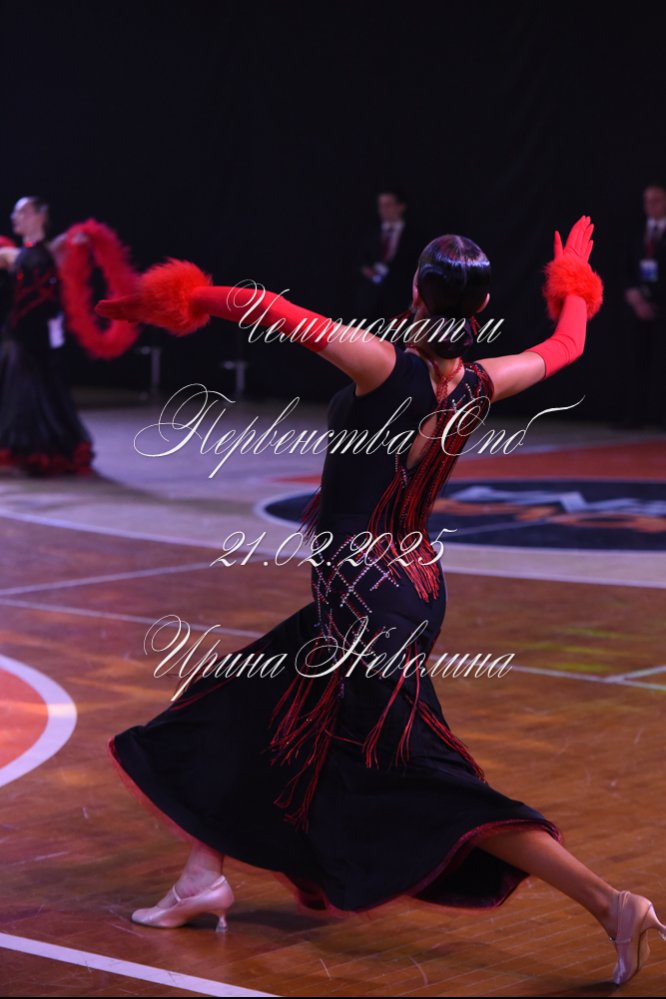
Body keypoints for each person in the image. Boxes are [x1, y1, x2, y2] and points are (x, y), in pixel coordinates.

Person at [97, 216, 665, 986]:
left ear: (415, 291)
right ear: (483, 303)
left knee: (425, 777)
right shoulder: (481, 381)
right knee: (242, 699)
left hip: (361, 600)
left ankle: (610, 902)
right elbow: (567, 345)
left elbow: (270, 310)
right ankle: (201, 877)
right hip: (411, 589)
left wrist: (180, 298)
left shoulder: (379, 362)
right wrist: (573, 288)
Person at [0, 196, 94, 475]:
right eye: (15, 213)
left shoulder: (52, 251)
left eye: (23, 212)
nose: (16, 217)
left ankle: (47, 451)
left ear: (41, 216)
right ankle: (25, 450)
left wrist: (82, 239)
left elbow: (78, 240)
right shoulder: (13, 255)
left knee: (44, 395)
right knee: (20, 396)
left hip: (41, 339)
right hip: (19, 337)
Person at [618, 183, 666, 428]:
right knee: (636, 360)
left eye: (656, 200)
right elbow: (626, 267)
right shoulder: (637, 232)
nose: (651, 205)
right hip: (639, 305)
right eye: (647, 201)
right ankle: (635, 415)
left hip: (663, 305)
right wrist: (635, 297)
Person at [351, 188, 423, 328]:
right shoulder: (368, 233)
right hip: (369, 305)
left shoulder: (415, 237)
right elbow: (357, 261)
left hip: (399, 303)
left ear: (401, 206)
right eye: (381, 205)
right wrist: (367, 271)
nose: (383, 209)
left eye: (388, 205)